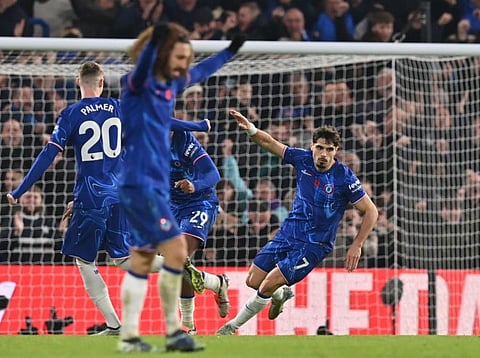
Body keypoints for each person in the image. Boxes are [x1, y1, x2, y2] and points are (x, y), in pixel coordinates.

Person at [6, 61, 166, 336]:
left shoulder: (71, 113)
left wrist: (20, 190)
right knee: (124, 258)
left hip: (91, 196)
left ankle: (114, 324)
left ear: (78, 82)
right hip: (121, 195)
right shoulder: (118, 107)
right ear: (102, 82)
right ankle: (181, 266)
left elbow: (48, 155)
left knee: (84, 261)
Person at [117, 22, 245, 352]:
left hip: (151, 187)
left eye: (186, 58)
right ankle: (174, 332)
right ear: (161, 54)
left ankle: (130, 337)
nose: (183, 64)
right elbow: (144, 63)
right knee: (176, 252)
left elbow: (203, 71)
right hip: (141, 184)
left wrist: (230, 52)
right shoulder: (135, 85)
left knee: (144, 260)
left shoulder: (170, 86)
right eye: (178, 57)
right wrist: (157, 38)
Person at [216, 110, 378, 335]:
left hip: (314, 245)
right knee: (253, 281)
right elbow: (270, 142)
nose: (323, 153)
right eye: (320, 147)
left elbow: (370, 211)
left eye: (329, 149)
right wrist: (251, 129)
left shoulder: (344, 177)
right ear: (312, 146)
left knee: (267, 285)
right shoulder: (302, 159)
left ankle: (230, 328)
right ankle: (280, 295)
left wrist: (357, 244)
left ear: (336, 151)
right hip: (288, 233)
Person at [169, 129, 229, 335]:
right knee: (175, 265)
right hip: (170, 207)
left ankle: (187, 325)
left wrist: (195, 185)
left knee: (178, 258)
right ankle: (217, 283)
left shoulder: (185, 142)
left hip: (199, 203)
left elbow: (213, 174)